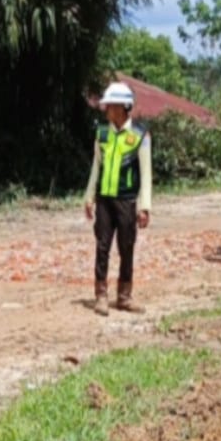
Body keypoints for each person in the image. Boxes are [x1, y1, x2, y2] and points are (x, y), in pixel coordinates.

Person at [83, 81, 152, 316]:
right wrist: (89, 196)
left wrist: (144, 207)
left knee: (127, 247)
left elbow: (146, 175)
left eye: (111, 106)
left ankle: (124, 296)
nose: (107, 110)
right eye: (107, 106)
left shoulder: (140, 136)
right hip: (104, 200)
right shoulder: (102, 134)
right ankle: (100, 296)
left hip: (127, 200)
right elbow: (96, 168)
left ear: (124, 107)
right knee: (102, 246)